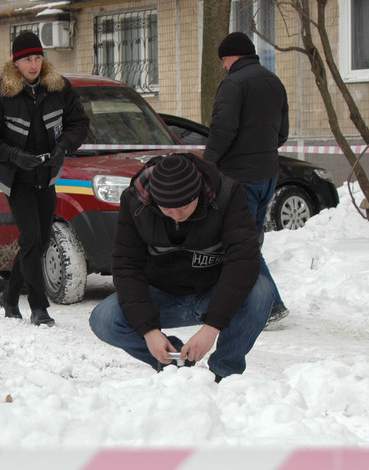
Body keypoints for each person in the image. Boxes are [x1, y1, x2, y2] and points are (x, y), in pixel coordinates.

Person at [89, 153, 276, 381]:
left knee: (261, 291)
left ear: (198, 193)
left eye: (185, 206)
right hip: (162, 294)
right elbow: (126, 266)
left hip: (212, 291)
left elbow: (244, 260)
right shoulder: (135, 201)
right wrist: (148, 330)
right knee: (104, 319)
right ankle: (171, 361)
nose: (177, 215)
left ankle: (225, 373)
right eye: (167, 209)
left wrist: (212, 327)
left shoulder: (228, 195)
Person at [0, 31, 89, 326]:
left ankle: (10, 295)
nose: (34, 64)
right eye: (27, 59)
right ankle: (39, 307)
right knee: (33, 238)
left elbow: (79, 122)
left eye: (38, 57)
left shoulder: (58, 88)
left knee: (37, 239)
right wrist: (13, 155)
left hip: (47, 175)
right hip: (16, 177)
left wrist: (64, 148)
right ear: (16, 62)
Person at [204, 32, 289, 326]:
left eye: (224, 60)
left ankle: (269, 304)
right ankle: (251, 300)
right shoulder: (273, 81)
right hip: (267, 174)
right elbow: (282, 133)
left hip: (239, 178)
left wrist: (208, 164)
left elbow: (222, 131)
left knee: (242, 245)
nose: (224, 66)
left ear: (232, 56)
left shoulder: (233, 84)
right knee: (249, 241)